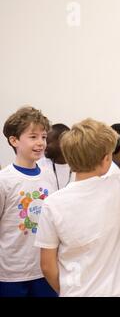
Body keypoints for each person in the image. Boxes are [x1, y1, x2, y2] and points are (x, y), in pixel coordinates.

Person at [35, 119, 120, 297]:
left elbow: (47, 265)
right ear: (106, 158)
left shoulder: (53, 203)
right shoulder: (117, 185)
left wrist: (68, 291)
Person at [0, 106, 57, 297]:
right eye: (33, 137)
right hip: (10, 274)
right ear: (14, 140)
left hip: (44, 270)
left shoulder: (49, 176)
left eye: (43, 137)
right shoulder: (4, 180)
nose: (40, 142)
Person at [38, 123, 73, 190]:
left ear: (62, 142)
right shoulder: (38, 166)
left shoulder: (80, 167)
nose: (43, 145)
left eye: (48, 142)